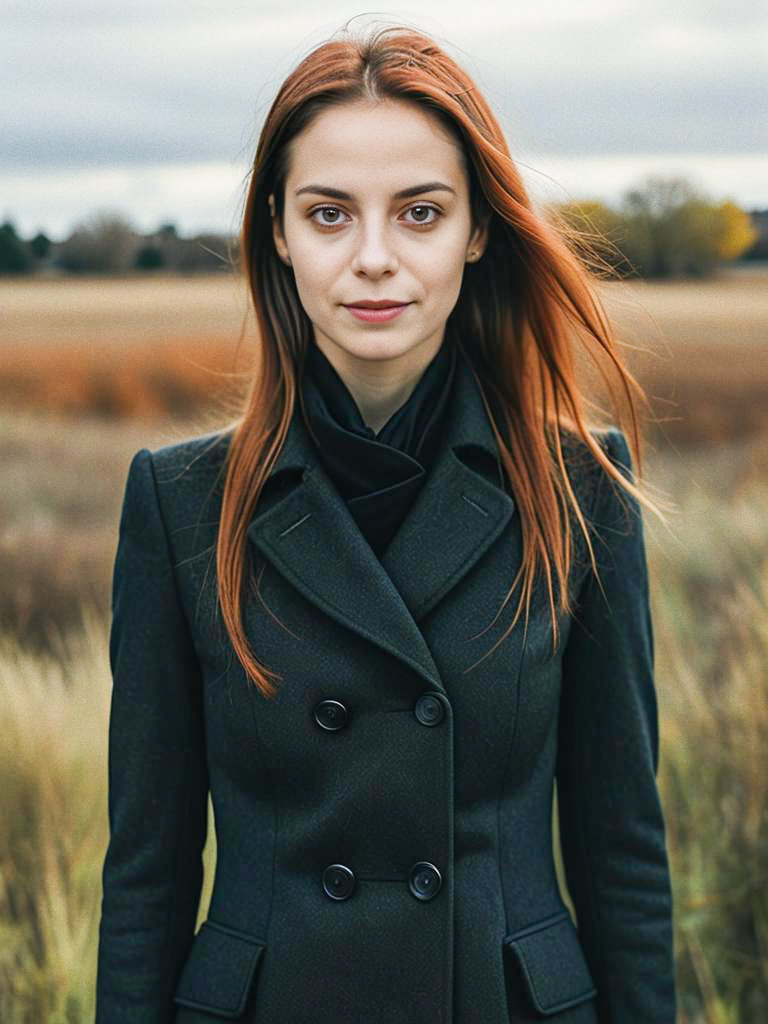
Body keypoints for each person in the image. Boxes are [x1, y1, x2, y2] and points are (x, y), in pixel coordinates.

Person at [94, 21, 677, 1024]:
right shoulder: (179, 502)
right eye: (329, 214)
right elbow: (145, 877)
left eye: (419, 212)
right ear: (276, 229)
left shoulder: (579, 489)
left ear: (477, 229)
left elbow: (622, 853)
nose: (374, 258)